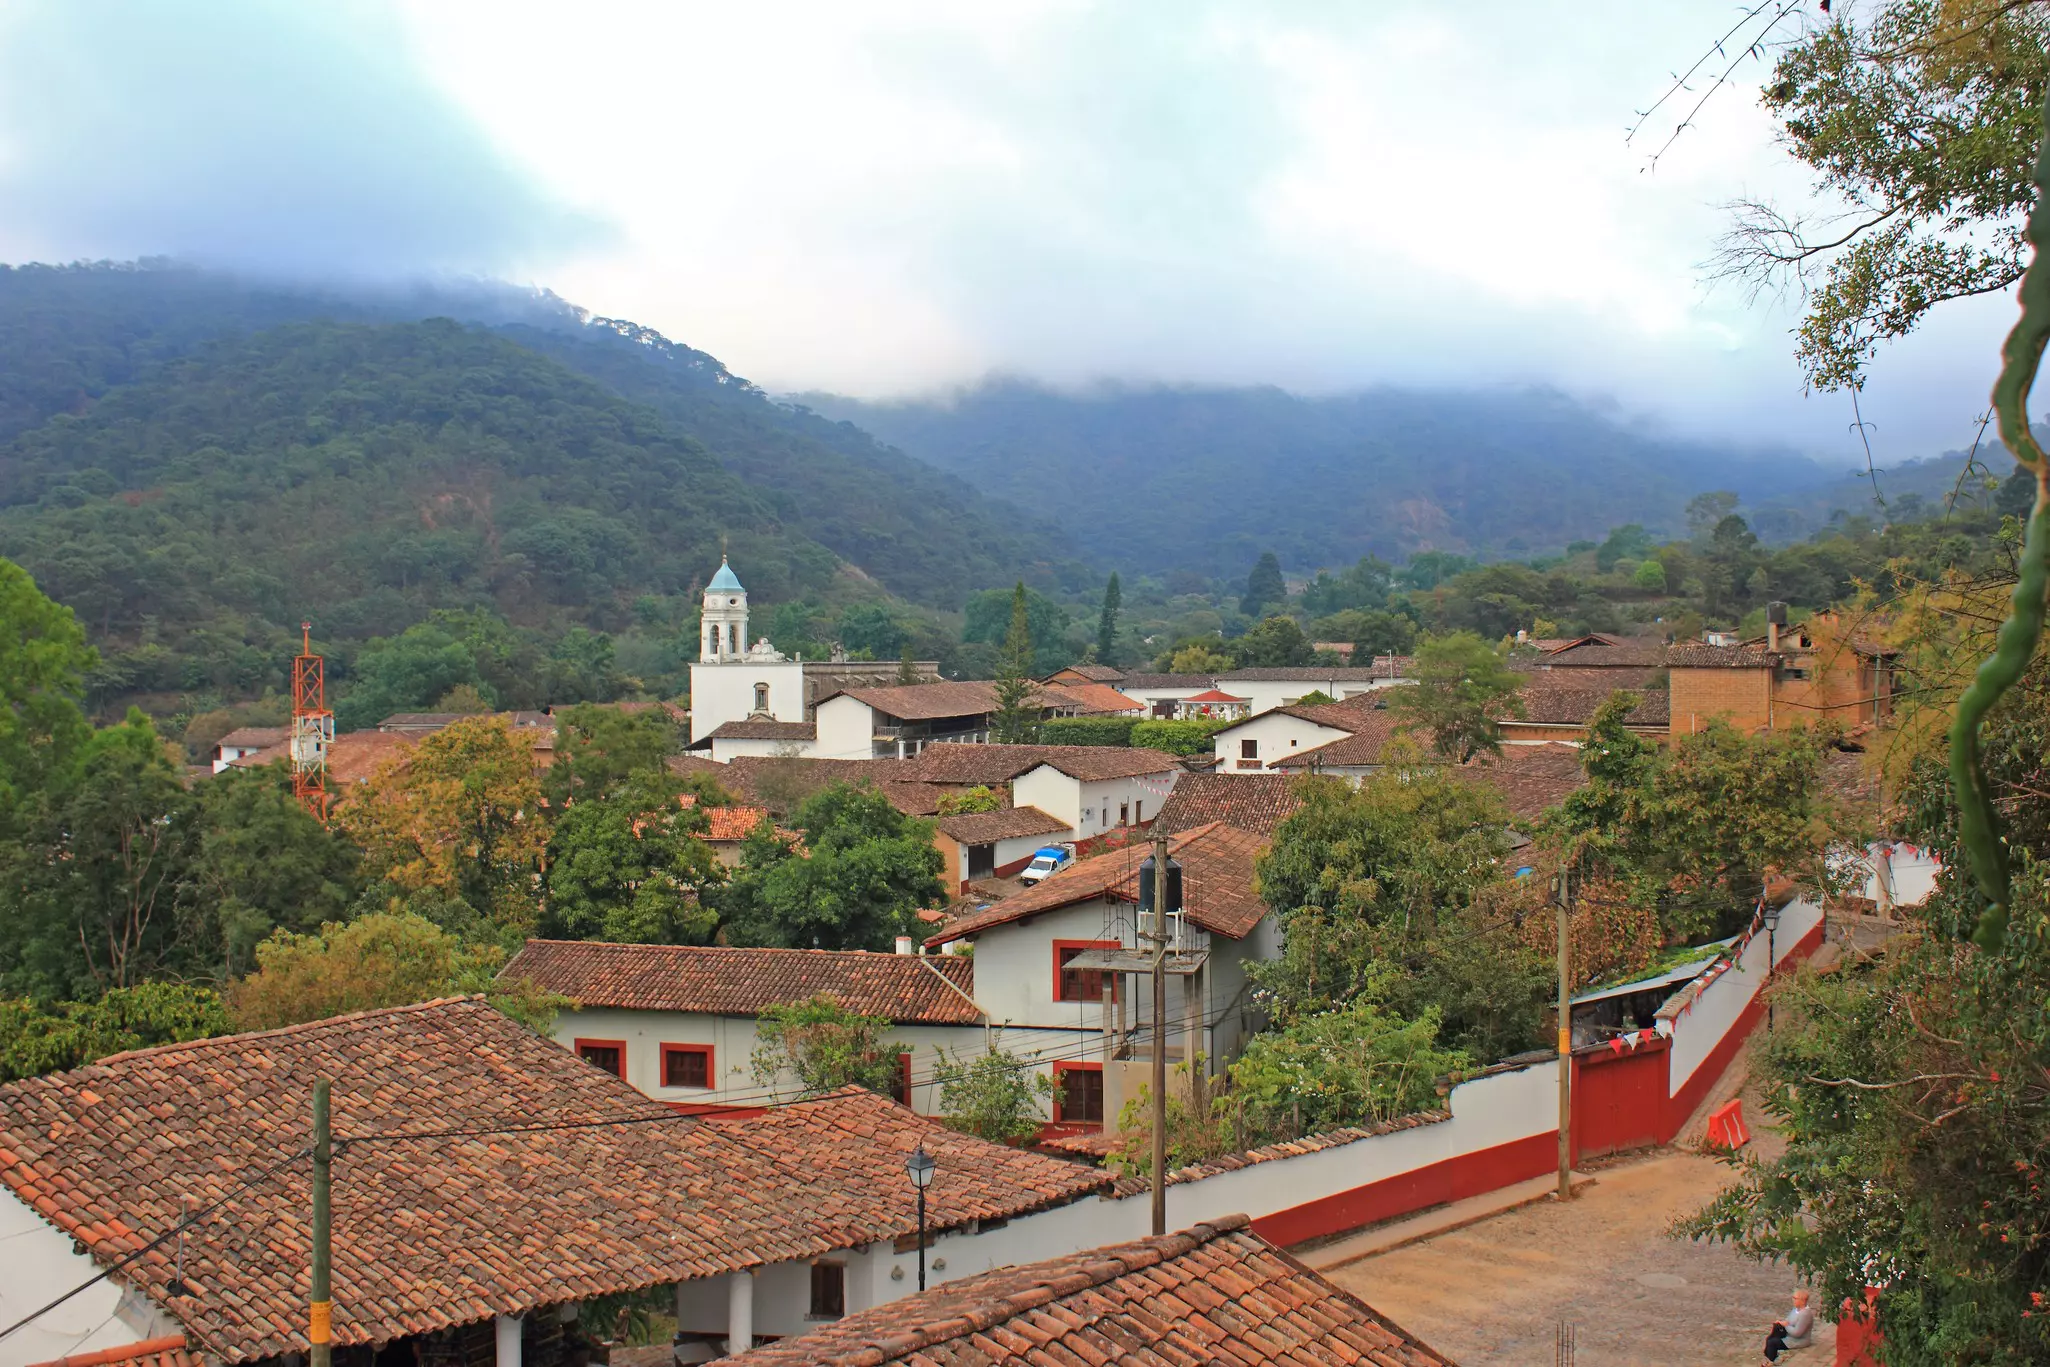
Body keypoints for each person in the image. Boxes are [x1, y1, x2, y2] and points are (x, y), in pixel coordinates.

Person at [1762, 1289, 1814, 1362]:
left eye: (1795, 1298)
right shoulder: (1796, 1309)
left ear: (1802, 1301)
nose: (1793, 1300)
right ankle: (1768, 1359)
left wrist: (1786, 1325)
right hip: (1790, 1336)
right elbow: (1788, 1320)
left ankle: (1770, 1361)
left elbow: (1797, 1333)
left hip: (1797, 1341)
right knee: (1771, 1337)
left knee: (1772, 1342)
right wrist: (1781, 1323)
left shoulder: (1805, 1314)